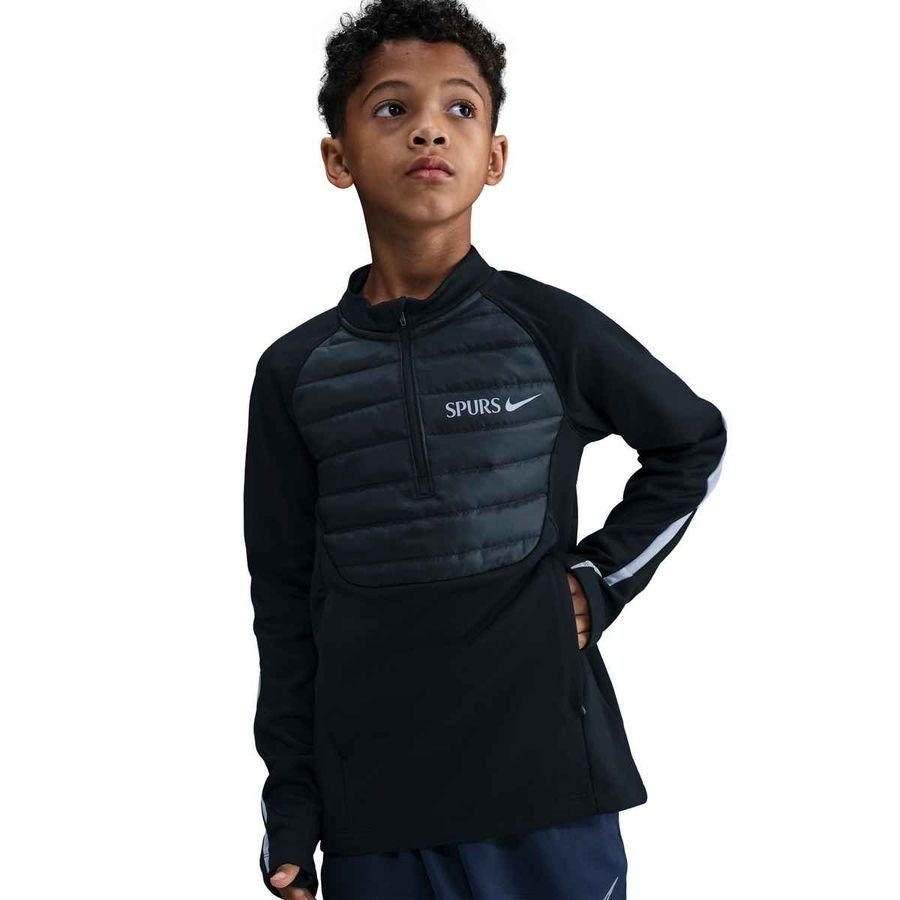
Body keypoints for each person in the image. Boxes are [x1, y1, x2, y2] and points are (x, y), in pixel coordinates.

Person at [242, 1, 727, 897]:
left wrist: (601, 581)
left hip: (552, 804)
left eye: (460, 108)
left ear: (494, 156)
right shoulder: (295, 373)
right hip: (378, 819)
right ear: (338, 158)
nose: (429, 128)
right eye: (393, 108)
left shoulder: (549, 331)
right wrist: (292, 806)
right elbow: (282, 605)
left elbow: (693, 440)